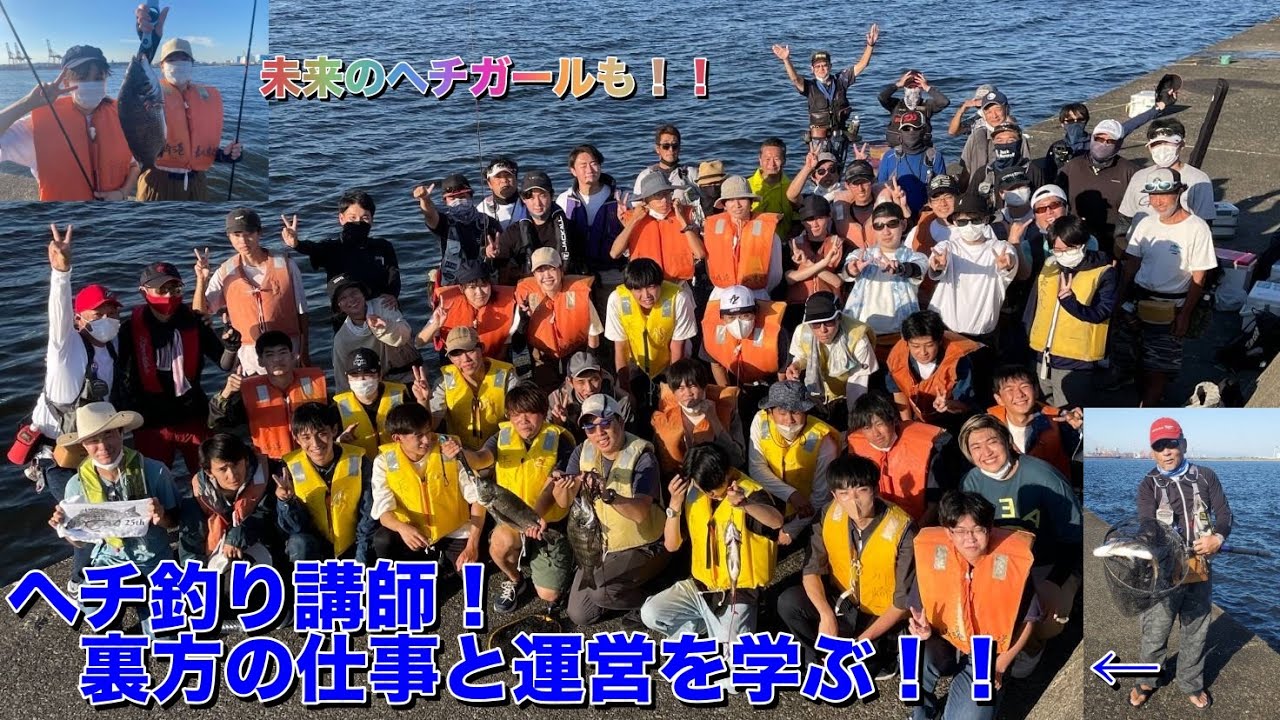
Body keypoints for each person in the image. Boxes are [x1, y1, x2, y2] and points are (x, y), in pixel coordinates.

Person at [959, 413, 1082, 679]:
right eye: (976, 447)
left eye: (992, 442)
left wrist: (1054, 582)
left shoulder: (1044, 477)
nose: (986, 452)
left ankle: (1030, 652)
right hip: (1002, 561)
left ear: (1007, 441)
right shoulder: (971, 482)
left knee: (1045, 622)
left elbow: (1074, 539)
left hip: (1048, 562)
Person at [1129, 417, 1231, 711]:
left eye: (1172, 444)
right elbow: (1146, 524)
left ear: (1183, 444)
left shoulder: (1206, 476)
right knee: (1155, 630)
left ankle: (1191, 682)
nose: (1167, 451)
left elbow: (1225, 514)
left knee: (1196, 629)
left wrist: (1217, 538)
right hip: (1164, 572)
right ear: (1152, 452)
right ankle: (1146, 681)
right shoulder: (1148, 485)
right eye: (1159, 446)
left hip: (1199, 567)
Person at [778, 454, 916, 670]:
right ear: (834, 495)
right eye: (844, 494)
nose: (854, 501)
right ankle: (818, 660)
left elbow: (902, 603)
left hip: (880, 613)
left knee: (860, 668)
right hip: (843, 601)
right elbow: (811, 570)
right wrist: (826, 614)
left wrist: (859, 644)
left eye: (861, 491)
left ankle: (874, 655)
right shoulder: (827, 514)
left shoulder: (903, 528)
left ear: (875, 490)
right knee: (789, 602)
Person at [908, 491, 1038, 720]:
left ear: (990, 528)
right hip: (945, 641)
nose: (969, 538)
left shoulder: (1012, 561)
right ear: (948, 532)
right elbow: (918, 611)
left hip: (988, 654)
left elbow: (1029, 620)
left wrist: (1000, 666)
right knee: (914, 658)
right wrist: (924, 632)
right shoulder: (932, 557)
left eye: (978, 529)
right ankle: (922, 714)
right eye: (960, 531)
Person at [642, 443, 783, 646]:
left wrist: (745, 504)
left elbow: (776, 522)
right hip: (701, 587)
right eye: (706, 489)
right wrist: (674, 504)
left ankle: (722, 630)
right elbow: (672, 545)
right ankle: (708, 627)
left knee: (732, 660)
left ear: (727, 471)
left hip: (738, 592)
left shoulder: (751, 493)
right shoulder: (693, 494)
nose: (712, 494)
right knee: (651, 613)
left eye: (716, 487)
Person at [449, 386, 575, 612]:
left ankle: (566, 559)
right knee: (500, 543)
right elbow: (480, 458)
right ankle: (516, 579)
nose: (523, 420)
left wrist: (534, 518)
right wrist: (460, 453)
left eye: (530, 413)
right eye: (516, 414)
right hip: (513, 518)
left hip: (549, 522)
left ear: (543, 412)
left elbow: (552, 486)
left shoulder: (560, 440)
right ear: (508, 415)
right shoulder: (500, 438)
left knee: (549, 594)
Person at [22, 224, 124, 504]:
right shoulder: (65, 347)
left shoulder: (112, 344)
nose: (107, 319)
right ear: (79, 318)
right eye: (98, 313)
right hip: (58, 454)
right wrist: (61, 272)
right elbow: (58, 313)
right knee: (80, 513)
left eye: (113, 312)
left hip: (95, 446)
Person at [554, 394, 670, 627]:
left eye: (606, 423)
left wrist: (609, 496)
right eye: (590, 427)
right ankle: (617, 586)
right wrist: (565, 486)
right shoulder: (582, 451)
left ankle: (653, 602)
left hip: (643, 545)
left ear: (621, 422)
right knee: (580, 614)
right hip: (602, 545)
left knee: (602, 591)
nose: (599, 433)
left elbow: (640, 513)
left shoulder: (642, 456)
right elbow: (562, 502)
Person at [48, 403, 180, 604]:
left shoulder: (156, 471)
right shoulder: (75, 485)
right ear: (83, 444)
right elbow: (80, 542)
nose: (102, 447)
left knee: (162, 622)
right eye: (93, 440)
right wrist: (65, 528)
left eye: (108, 435)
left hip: (154, 560)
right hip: (108, 561)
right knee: (92, 610)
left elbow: (175, 520)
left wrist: (161, 517)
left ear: (121, 433)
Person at [1113, 168, 1216, 406]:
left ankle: (1148, 409)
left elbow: (1199, 276)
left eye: (1165, 194)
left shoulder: (1197, 228)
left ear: (1179, 193)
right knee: (1134, 361)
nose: (1158, 201)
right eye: (1153, 195)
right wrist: (1119, 299)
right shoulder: (1145, 223)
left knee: (1158, 368)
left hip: (1171, 308)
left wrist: (1185, 314)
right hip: (1137, 302)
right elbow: (1132, 264)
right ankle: (1145, 401)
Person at [118, 261, 229, 475]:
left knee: (209, 475)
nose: (169, 295)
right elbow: (116, 372)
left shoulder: (195, 322)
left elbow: (224, 363)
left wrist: (231, 345)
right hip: (151, 422)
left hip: (193, 415)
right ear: (144, 292)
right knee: (153, 481)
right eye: (162, 289)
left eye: (175, 288)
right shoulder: (129, 330)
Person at [0, 45, 139, 201]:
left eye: (98, 78)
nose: (91, 83)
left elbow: (134, 164)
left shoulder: (122, 117)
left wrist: (123, 192)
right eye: (82, 77)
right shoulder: (38, 126)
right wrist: (27, 103)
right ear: (66, 83)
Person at [369, 403, 484, 574]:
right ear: (397, 438)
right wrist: (402, 528)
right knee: (383, 540)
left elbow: (478, 499)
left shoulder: (449, 449)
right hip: (415, 534)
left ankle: (446, 563)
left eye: (428, 431)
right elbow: (383, 512)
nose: (427, 440)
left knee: (473, 576)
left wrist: (472, 545)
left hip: (455, 530)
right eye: (418, 436)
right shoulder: (383, 462)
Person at [194, 208, 309, 374]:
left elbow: (302, 313)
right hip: (249, 358)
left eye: (249, 233)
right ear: (229, 237)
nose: (243, 240)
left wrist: (304, 354)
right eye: (237, 235)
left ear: (259, 233)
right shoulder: (224, 272)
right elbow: (200, 314)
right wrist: (201, 280)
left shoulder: (287, 265)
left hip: (286, 351)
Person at [1024, 215, 1117, 408]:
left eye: (1070, 249)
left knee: (1070, 417)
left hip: (1076, 362)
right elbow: (1034, 306)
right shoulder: (1050, 265)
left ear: (1083, 244)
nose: (1063, 254)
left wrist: (1070, 302)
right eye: (1057, 250)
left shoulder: (1104, 271)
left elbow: (1101, 313)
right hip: (1042, 356)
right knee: (1044, 414)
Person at [138, 37, 243, 201]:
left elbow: (198, 147)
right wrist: (146, 37)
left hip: (197, 184)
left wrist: (225, 155)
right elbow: (134, 82)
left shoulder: (206, 96)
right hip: (157, 181)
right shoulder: (149, 93)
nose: (179, 63)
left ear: (192, 63)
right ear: (161, 66)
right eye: (172, 59)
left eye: (184, 58)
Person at [275, 402, 375, 563]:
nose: (315, 444)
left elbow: (368, 514)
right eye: (306, 437)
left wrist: (360, 561)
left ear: (334, 430)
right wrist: (286, 501)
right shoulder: (288, 469)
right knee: (299, 543)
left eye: (321, 434)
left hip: (353, 543)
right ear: (296, 438)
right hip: (315, 545)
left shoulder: (360, 460)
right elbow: (295, 527)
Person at [208, 331, 327, 461]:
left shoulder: (316, 382)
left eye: (282, 352)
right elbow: (216, 424)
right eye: (270, 355)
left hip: (315, 455)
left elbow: (334, 421)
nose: (277, 359)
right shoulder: (248, 392)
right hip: (272, 462)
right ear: (260, 361)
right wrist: (227, 393)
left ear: (294, 356)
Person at [748, 380, 840, 548]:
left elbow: (821, 496)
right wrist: (791, 494)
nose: (789, 420)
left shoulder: (824, 442)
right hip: (772, 498)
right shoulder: (760, 421)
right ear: (770, 412)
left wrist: (792, 529)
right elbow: (756, 469)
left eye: (796, 412)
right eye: (782, 412)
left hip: (807, 510)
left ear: (806, 411)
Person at [771, 27, 878, 164]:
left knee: (838, 168)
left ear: (830, 66)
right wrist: (786, 60)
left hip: (839, 137)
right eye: (818, 66)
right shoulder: (810, 86)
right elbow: (795, 79)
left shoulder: (841, 80)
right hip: (818, 140)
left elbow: (862, 64)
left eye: (824, 65)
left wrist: (870, 45)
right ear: (812, 69)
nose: (821, 69)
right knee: (820, 169)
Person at [925, 193, 1022, 343]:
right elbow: (936, 262)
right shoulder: (947, 247)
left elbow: (1010, 259)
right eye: (962, 222)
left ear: (986, 220)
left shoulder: (1000, 248)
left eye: (975, 220)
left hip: (984, 336)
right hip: (946, 333)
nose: (969, 226)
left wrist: (1008, 264)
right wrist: (938, 265)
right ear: (955, 222)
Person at [280, 190, 402, 305]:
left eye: (365, 218)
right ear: (341, 219)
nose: (358, 222)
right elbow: (313, 248)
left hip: (381, 305)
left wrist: (392, 294)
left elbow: (394, 275)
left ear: (372, 220)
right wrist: (296, 244)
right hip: (348, 311)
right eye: (352, 218)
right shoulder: (332, 248)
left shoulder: (383, 246)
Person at [603, 258, 698, 401]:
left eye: (651, 287)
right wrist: (625, 389)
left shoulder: (679, 298)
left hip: (669, 360)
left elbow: (677, 346)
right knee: (625, 397)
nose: (646, 295)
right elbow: (621, 346)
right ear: (629, 289)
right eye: (638, 289)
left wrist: (673, 386)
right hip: (635, 360)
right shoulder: (616, 299)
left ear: (661, 283)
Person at [841, 202, 928, 357]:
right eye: (879, 226)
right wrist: (852, 269)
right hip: (862, 335)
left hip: (901, 336)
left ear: (903, 224)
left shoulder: (916, 257)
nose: (886, 231)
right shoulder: (861, 255)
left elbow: (916, 270)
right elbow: (847, 272)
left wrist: (900, 268)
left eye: (892, 224)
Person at [848, 391, 947, 525]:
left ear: (893, 420)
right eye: (867, 428)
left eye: (879, 424)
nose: (875, 433)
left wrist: (913, 532)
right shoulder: (855, 451)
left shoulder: (926, 447)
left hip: (917, 525)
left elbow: (935, 504)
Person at [179, 433, 274, 572]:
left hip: (263, 551)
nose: (232, 474)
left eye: (236, 464)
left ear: (246, 460)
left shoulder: (270, 477)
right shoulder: (195, 499)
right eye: (223, 469)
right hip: (216, 561)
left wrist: (238, 535)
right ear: (209, 472)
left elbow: (269, 517)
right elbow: (190, 550)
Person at [784, 291, 877, 427]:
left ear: (839, 317)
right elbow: (802, 355)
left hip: (846, 398)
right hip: (815, 395)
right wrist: (797, 365)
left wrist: (854, 420)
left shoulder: (858, 338)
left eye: (828, 322)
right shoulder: (802, 331)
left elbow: (857, 387)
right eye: (816, 324)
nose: (823, 330)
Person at [514, 247, 602, 386]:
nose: (547, 275)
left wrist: (590, 362)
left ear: (561, 270)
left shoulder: (579, 293)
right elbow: (517, 342)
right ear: (534, 275)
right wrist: (523, 319)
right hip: (542, 356)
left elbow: (594, 333)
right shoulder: (525, 296)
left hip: (576, 353)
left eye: (551, 268)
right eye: (540, 270)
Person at [987, 366, 1084, 483]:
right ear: (999, 399)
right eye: (1009, 389)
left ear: (1036, 391)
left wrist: (1082, 426)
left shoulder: (1059, 421)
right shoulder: (988, 426)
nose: (1019, 394)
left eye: (1024, 386)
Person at [650, 358, 745, 477]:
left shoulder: (727, 408)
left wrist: (714, 420)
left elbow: (738, 459)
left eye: (692, 386)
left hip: (717, 478)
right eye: (680, 388)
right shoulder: (664, 417)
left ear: (703, 386)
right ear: (673, 392)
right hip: (680, 479)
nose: (687, 393)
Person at [886, 309, 982, 427]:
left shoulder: (958, 360)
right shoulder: (897, 357)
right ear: (906, 342)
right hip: (917, 416)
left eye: (929, 345)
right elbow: (898, 390)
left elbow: (966, 405)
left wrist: (948, 404)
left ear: (940, 341)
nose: (923, 352)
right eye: (915, 346)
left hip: (952, 419)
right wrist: (908, 424)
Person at [1058, 119, 1138, 259]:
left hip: (1113, 243)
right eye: (1099, 138)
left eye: (1110, 141)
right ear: (1092, 138)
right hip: (1077, 241)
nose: (1103, 144)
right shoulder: (1072, 166)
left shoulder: (1130, 171)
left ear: (1119, 144)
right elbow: (1058, 199)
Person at [700, 284, 788, 412]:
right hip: (734, 383)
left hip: (769, 385)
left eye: (745, 316)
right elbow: (716, 365)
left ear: (755, 312)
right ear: (722, 318)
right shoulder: (713, 332)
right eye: (731, 317)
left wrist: (778, 402)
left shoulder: (776, 333)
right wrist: (729, 398)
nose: (738, 322)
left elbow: (783, 372)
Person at [429, 327, 519, 450]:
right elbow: (431, 427)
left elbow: (520, 418)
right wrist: (423, 400)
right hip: (461, 449)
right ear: (449, 357)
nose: (465, 359)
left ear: (481, 348)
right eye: (456, 353)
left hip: (500, 446)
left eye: (470, 350)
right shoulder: (444, 382)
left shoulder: (506, 376)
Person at [327, 273, 417, 392]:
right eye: (343, 298)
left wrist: (385, 328)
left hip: (410, 376)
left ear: (363, 293)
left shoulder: (384, 304)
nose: (351, 299)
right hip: (374, 387)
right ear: (339, 307)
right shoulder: (341, 339)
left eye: (354, 292)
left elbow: (404, 337)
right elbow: (342, 381)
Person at [611, 172, 705, 285]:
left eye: (667, 194)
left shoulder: (686, 214)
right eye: (657, 195)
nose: (664, 200)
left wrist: (682, 220)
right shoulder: (632, 218)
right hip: (646, 285)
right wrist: (634, 220)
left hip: (678, 283)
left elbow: (700, 254)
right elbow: (614, 253)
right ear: (646, 200)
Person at [418, 260, 519, 362]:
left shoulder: (509, 304)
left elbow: (505, 346)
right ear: (462, 289)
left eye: (484, 285)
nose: (479, 293)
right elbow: (419, 342)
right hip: (459, 364)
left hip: (493, 361)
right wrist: (435, 325)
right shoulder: (446, 306)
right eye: (472, 287)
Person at [1119, 119, 1216, 225]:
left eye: (1168, 143)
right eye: (1156, 144)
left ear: (1182, 145)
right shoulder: (1138, 177)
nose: (1162, 148)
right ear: (1149, 148)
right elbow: (1125, 219)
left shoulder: (1199, 179)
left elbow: (1205, 223)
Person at [702, 175, 785, 299]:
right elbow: (709, 265)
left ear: (751, 202)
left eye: (742, 198)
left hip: (756, 293)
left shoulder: (769, 233)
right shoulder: (711, 230)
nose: (737, 205)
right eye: (731, 200)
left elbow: (775, 274)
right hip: (721, 293)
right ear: (724, 205)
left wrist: (760, 290)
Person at [414, 173, 502, 289]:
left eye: (462, 196)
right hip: (454, 283)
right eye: (452, 198)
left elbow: (501, 247)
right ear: (445, 201)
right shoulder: (444, 222)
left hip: (483, 283)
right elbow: (430, 215)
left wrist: (493, 252)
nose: (458, 201)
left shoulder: (489, 222)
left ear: (471, 196)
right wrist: (425, 199)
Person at [334, 348, 424, 460]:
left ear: (380, 374)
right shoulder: (338, 407)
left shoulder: (401, 396)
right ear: (347, 377)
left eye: (368, 373)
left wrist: (423, 400)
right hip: (361, 467)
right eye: (355, 375)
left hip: (398, 464)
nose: (361, 380)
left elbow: (422, 429)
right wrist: (339, 442)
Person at [558, 144, 626, 293]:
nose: (589, 170)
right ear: (573, 171)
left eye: (594, 163)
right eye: (583, 165)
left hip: (613, 272)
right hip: (577, 275)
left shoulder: (620, 198)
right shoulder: (564, 200)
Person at [494, 171, 574, 285]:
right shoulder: (513, 233)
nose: (537, 203)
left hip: (563, 286)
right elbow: (495, 264)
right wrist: (490, 255)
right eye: (530, 196)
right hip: (530, 290)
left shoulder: (569, 228)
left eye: (542, 195)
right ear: (523, 199)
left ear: (551, 195)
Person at [547, 351, 635, 444]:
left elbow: (630, 440)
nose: (589, 388)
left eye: (594, 379)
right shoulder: (557, 401)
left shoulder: (620, 400)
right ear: (570, 382)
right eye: (581, 382)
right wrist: (558, 426)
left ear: (601, 376)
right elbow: (548, 444)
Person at [783, 195, 845, 327]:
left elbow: (837, 282)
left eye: (820, 218)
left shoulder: (839, 244)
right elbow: (790, 278)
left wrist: (807, 264)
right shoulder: (793, 245)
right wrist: (821, 265)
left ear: (829, 217)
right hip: (798, 308)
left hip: (828, 305)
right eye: (809, 219)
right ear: (803, 222)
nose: (815, 224)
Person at [877, 110, 946, 216]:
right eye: (906, 129)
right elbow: (881, 188)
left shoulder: (935, 157)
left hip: (925, 213)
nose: (911, 132)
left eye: (916, 128)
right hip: (897, 213)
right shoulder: (890, 156)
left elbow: (941, 191)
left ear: (923, 131)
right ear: (900, 133)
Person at [633, 124, 702, 205]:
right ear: (657, 149)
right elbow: (636, 205)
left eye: (675, 146)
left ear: (679, 148)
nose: (671, 150)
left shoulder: (691, 173)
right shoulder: (645, 176)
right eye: (666, 146)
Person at [880, 69, 949, 148]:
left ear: (920, 88)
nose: (913, 90)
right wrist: (898, 85)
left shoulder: (927, 105)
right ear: (904, 88)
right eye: (910, 86)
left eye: (916, 86)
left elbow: (944, 102)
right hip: (896, 146)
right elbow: (882, 98)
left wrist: (927, 87)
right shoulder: (896, 104)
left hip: (921, 147)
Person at [747, 138, 798, 240]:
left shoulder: (791, 187)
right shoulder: (747, 185)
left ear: (784, 160)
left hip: (783, 242)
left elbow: (797, 216)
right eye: (767, 159)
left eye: (776, 159)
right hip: (754, 242)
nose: (772, 164)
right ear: (760, 160)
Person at [477, 156, 527, 230]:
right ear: (489, 183)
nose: (504, 180)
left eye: (508, 175)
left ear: (516, 179)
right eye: (498, 177)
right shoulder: (481, 210)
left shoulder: (530, 203)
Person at [692, 159, 728, 228]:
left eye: (717, 183)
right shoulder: (692, 209)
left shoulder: (731, 206)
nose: (713, 187)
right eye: (709, 184)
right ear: (701, 186)